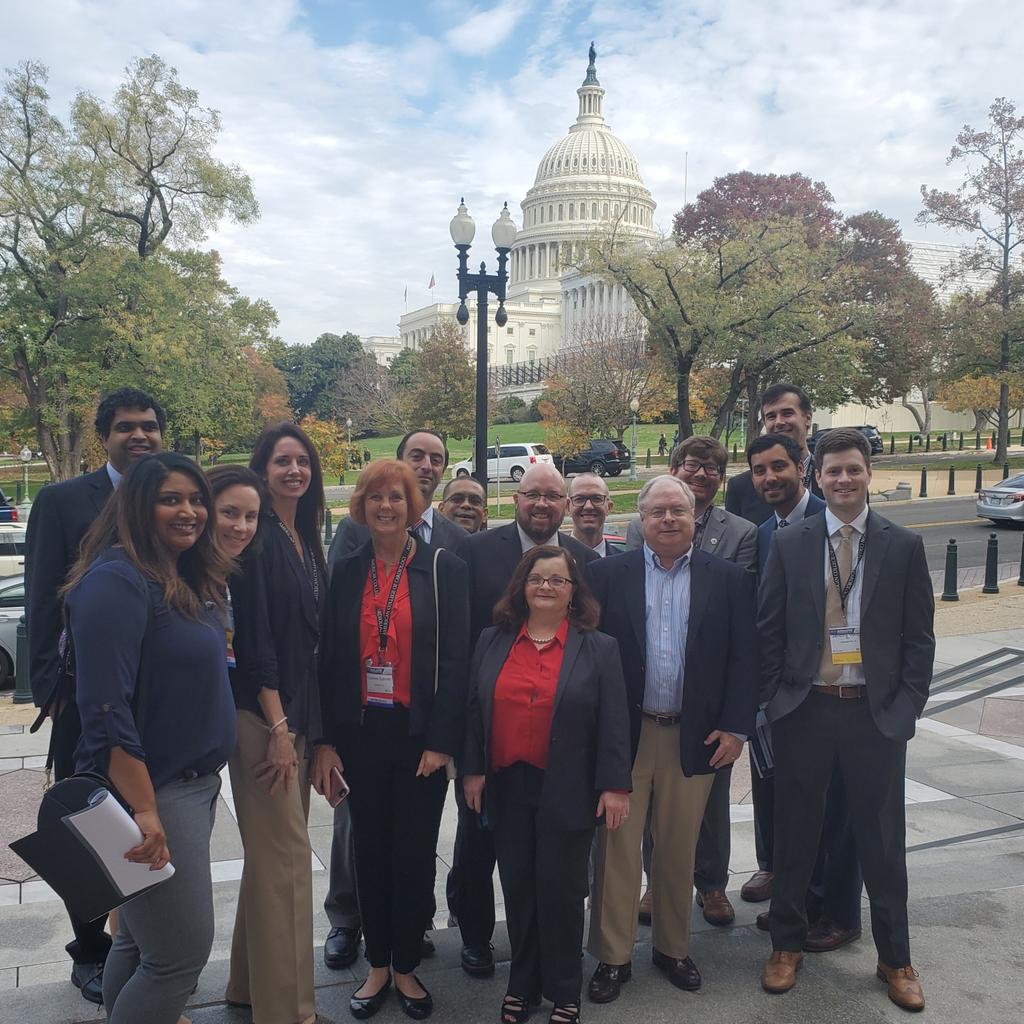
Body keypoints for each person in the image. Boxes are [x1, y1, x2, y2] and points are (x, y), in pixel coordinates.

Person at [757, 428, 934, 1012]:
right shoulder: (791, 543)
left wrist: (904, 710)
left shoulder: (903, 546)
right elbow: (769, 630)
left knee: (882, 843)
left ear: (868, 474)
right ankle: (786, 946)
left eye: (853, 470)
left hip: (873, 717)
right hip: (805, 710)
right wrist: (776, 698)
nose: (843, 480)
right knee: (795, 837)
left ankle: (895, 958)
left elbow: (918, 642)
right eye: (833, 471)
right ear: (817, 475)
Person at [63, 452, 236, 1023]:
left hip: (193, 785)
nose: (189, 511)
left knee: (140, 944)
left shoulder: (180, 576)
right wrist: (144, 811)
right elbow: (105, 711)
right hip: (154, 793)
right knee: (180, 954)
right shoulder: (116, 582)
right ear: (138, 507)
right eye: (171, 499)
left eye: (195, 500)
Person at [585, 476, 757, 1005]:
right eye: (656, 511)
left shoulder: (726, 579)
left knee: (679, 850)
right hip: (625, 737)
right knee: (616, 849)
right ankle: (612, 958)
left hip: (693, 737)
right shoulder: (605, 576)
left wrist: (735, 727)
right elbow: (587, 659)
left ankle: (672, 948)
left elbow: (743, 658)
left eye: (677, 511)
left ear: (694, 518)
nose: (666, 519)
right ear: (639, 520)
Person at [24, 386, 165, 1005]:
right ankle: (90, 948)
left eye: (150, 427)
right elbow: (40, 599)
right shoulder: (62, 501)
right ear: (105, 436)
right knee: (88, 821)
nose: (140, 436)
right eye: (127, 427)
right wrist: (51, 690)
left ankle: (140, 941)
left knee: (140, 819)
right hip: (84, 696)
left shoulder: (173, 497)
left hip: (154, 697)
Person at [321, 460, 469, 1021]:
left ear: (414, 507)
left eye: (398, 498)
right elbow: (332, 661)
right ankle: (377, 962)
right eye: (376, 497)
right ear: (361, 505)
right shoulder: (348, 569)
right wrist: (328, 741)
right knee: (368, 851)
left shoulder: (442, 568)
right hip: (361, 733)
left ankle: (406, 964)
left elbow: (455, 662)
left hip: (418, 737)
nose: (386, 506)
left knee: (412, 853)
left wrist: (442, 739)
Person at [462, 546, 632, 1024]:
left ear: (573, 592)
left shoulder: (599, 648)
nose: (547, 587)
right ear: (522, 585)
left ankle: (564, 988)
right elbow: (474, 711)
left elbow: (614, 722)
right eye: (538, 578)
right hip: (507, 785)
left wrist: (614, 786)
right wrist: (473, 770)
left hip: (568, 786)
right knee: (518, 888)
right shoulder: (492, 640)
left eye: (558, 581)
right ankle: (523, 984)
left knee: (559, 890)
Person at [449, 463, 600, 978]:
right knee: (477, 843)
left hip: (557, 742)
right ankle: (474, 935)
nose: (542, 504)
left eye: (553, 496)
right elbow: (458, 648)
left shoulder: (583, 560)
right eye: (532, 494)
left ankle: (545, 953)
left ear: (565, 503)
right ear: (515, 498)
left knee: (549, 860)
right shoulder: (475, 553)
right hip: (491, 729)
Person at [225, 422, 340, 1024]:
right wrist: (278, 728)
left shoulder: (305, 535)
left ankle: (247, 987)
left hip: (294, 718)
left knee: (270, 860)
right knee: (289, 865)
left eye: (302, 461)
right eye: (281, 461)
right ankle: (290, 1011)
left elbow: (311, 645)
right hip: (262, 720)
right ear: (262, 469)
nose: (294, 470)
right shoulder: (259, 538)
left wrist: (313, 733)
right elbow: (257, 642)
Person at [625, 437, 756, 928]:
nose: (701, 475)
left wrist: (735, 721)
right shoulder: (645, 522)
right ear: (675, 467)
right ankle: (655, 884)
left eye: (712, 469)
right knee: (650, 803)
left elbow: (736, 619)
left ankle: (712, 883)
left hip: (707, 693)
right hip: (649, 700)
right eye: (692, 466)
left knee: (710, 801)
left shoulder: (740, 532)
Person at [725, 383, 821, 526]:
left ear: (807, 418)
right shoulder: (740, 488)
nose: (779, 422)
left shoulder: (836, 479)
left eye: (787, 413)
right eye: (771, 416)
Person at [567, 473, 612, 555]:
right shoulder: (550, 561)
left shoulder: (626, 564)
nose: (588, 506)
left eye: (597, 499)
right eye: (579, 499)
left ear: (609, 507)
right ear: (567, 507)